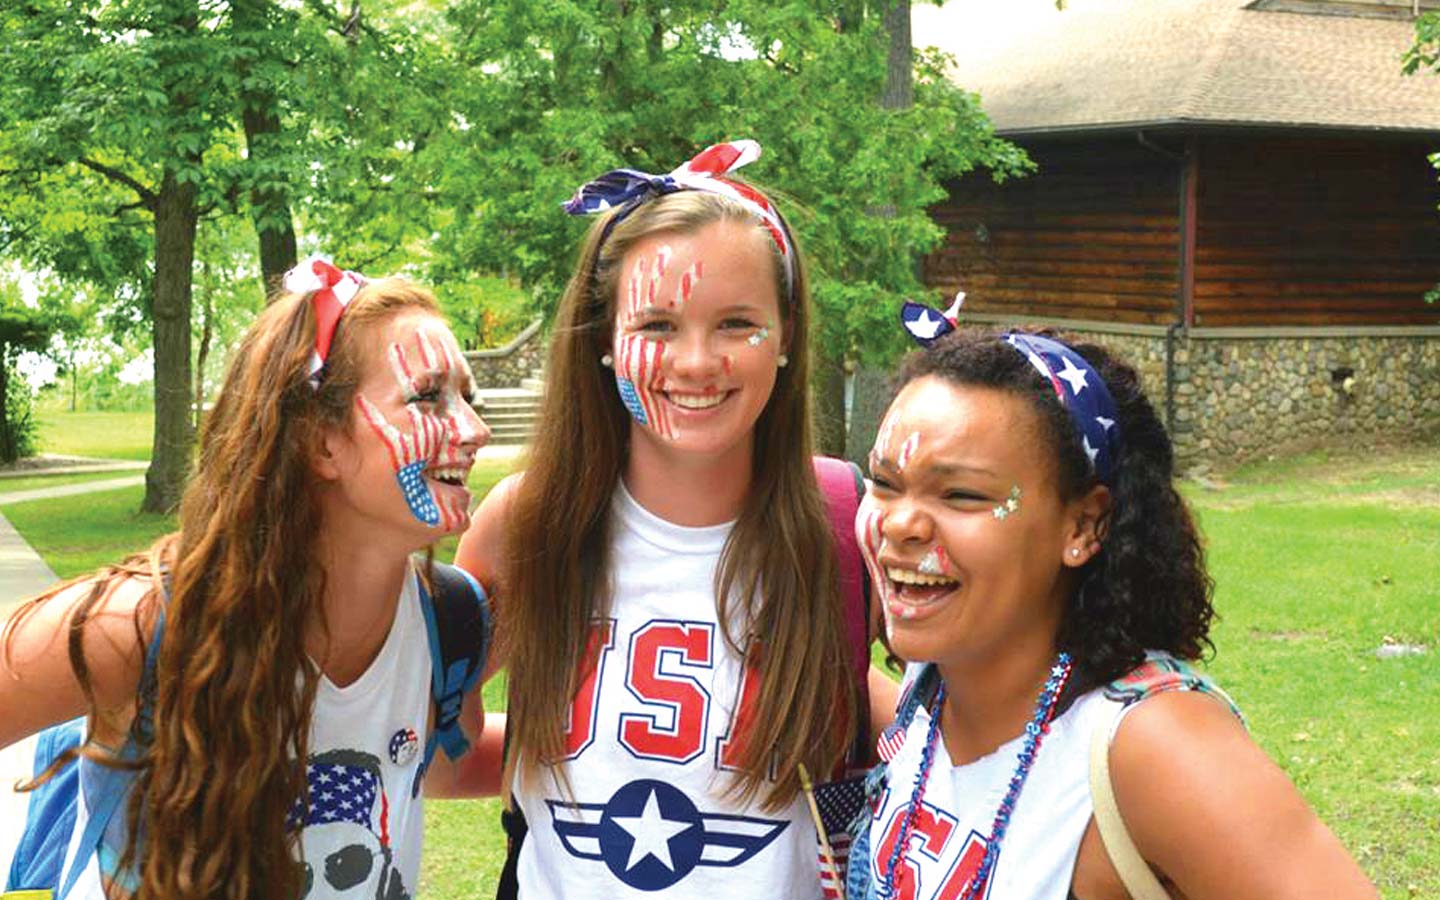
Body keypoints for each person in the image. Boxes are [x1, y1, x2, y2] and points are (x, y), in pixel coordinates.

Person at [454, 140, 895, 899]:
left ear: (786, 335)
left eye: (735, 324)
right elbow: (438, 751)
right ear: (601, 339)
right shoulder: (528, 523)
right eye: (656, 326)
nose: (695, 363)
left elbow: (974, 746)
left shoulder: (848, 527)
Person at [845, 305, 1378, 900]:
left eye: (963, 495)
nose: (901, 525)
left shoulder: (1156, 749)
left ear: (1084, 525)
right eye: (885, 483)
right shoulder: (935, 687)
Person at [0, 261, 492, 900]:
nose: (475, 431)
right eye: (428, 398)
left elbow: (447, 765)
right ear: (321, 443)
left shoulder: (451, 621)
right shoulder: (139, 621)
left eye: (468, 400)